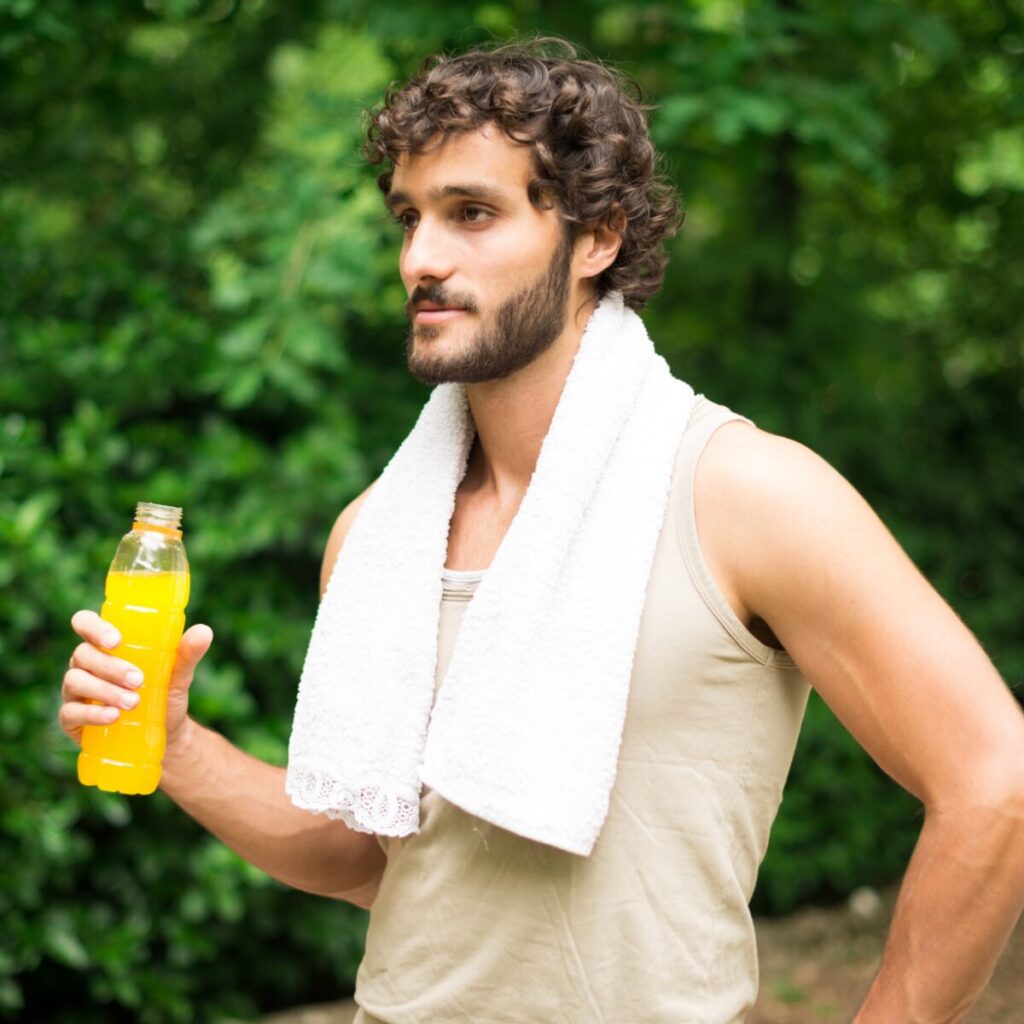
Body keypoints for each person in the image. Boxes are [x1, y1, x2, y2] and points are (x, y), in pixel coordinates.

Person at [60, 38, 1024, 1024]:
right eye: (409, 217)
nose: (422, 259)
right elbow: (370, 858)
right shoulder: (377, 535)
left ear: (596, 237)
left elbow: (995, 780)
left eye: (471, 213)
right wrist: (173, 741)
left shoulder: (743, 495)